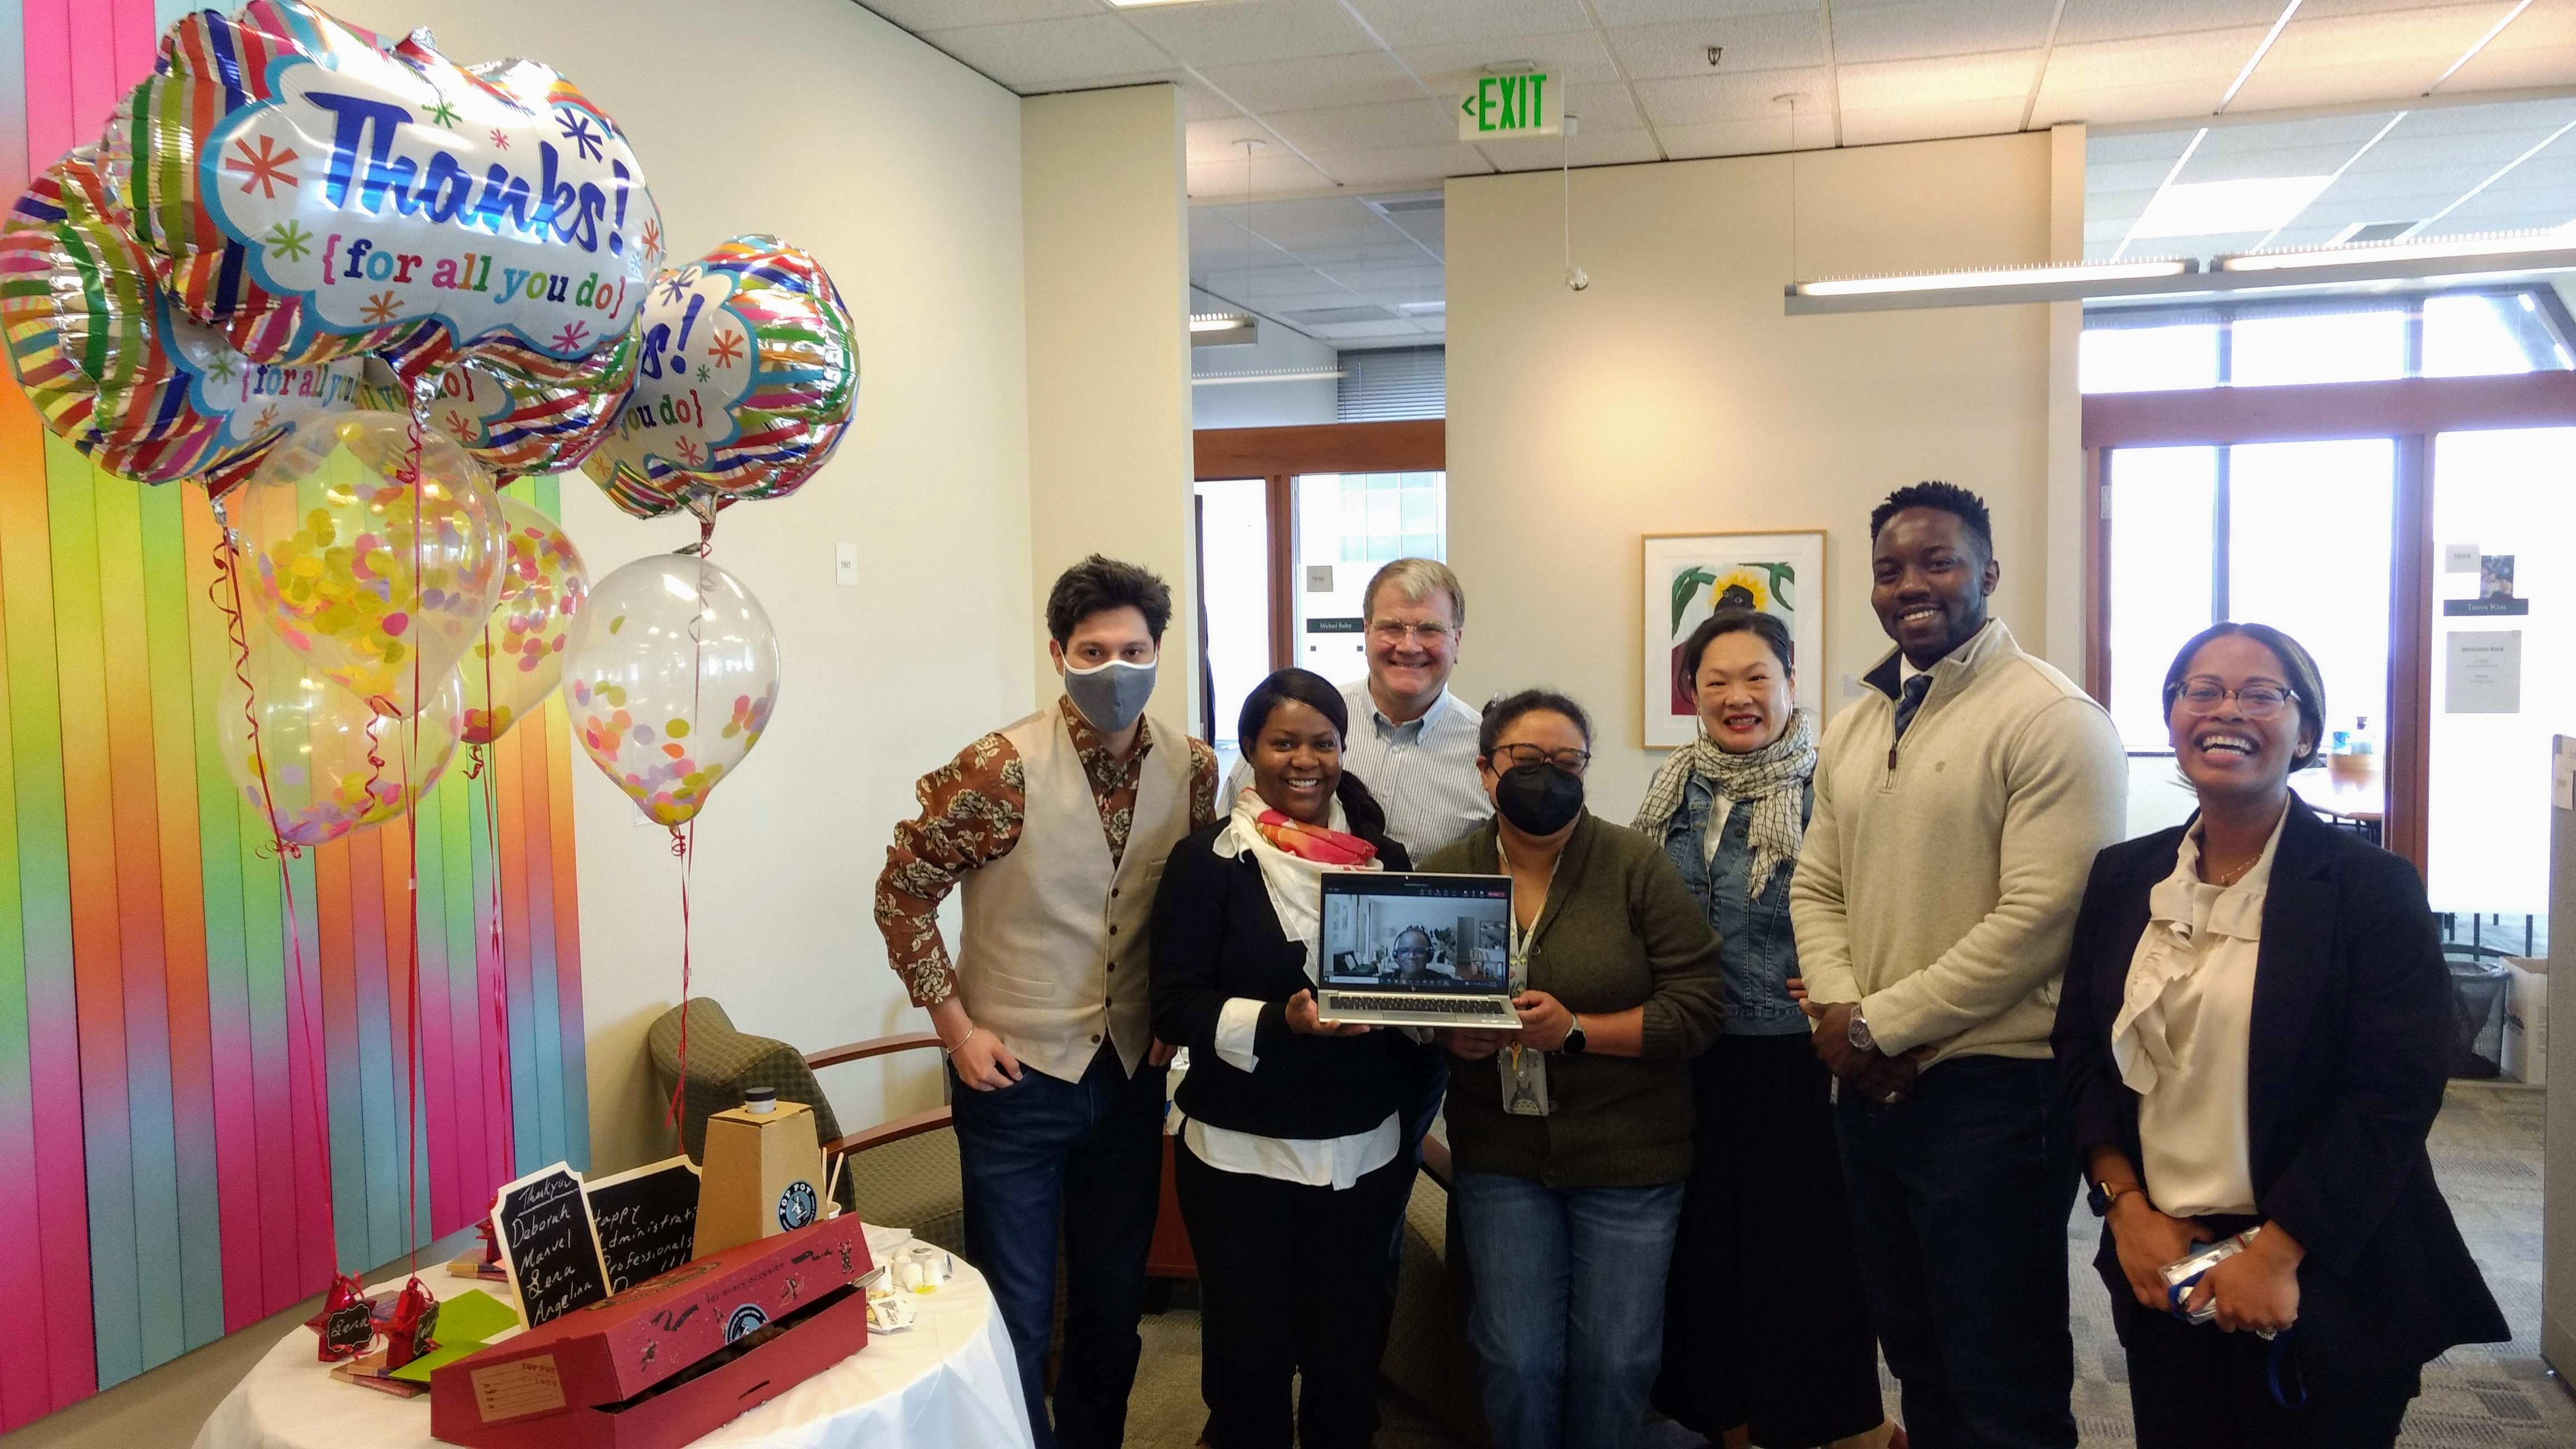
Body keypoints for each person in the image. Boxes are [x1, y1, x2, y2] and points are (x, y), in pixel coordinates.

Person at [2052, 623, 2506, 1448]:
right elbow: (2081, 1054)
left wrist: (2280, 1252)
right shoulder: (2124, 877)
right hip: (2165, 1262)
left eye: (2262, 694)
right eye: (2203, 690)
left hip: (2324, 1273)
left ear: (2305, 734)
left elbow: (2393, 1095)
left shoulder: (2370, 887)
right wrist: (2125, 1210)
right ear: (2173, 718)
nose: (2228, 709)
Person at [1788, 482, 2127, 1449]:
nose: (1910, 585)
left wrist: (1871, 1025)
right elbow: (1816, 888)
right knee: (1918, 1355)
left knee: (2000, 1374)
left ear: (1986, 571)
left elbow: (2040, 920)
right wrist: (1849, 1023)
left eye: (1935, 562)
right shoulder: (1859, 720)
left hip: (1996, 1095)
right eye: (1889, 569)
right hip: (1870, 1086)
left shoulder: (2051, 717)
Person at [874, 555, 1219, 1449]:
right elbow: (902, 892)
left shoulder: (1194, 769)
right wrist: (954, 1031)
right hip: (1015, 1080)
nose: (1116, 669)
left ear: (1158, 653)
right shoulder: (997, 769)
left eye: (1134, 650)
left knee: (1113, 1309)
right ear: (1060, 653)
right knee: (1019, 1317)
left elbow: (1184, 910)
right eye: (1093, 649)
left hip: (1131, 1081)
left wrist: (1171, 1027)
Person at [1423, 689, 1726, 1449]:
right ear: (1487, 771)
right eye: (1526, 760)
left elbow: (1699, 1005)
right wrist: (1446, 1036)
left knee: (1617, 1363)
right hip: (1503, 1157)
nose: (1546, 775)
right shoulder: (1446, 872)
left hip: (1632, 1157)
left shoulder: (1634, 864)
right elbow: (1410, 1005)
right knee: (1513, 1359)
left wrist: (1579, 1030)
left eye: (1567, 761)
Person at [1150, 667, 1434, 1449]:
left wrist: (1451, 1014)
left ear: (1344, 751)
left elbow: (1413, 994)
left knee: (1348, 1357)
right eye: (1284, 742)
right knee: (1250, 1364)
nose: (1304, 760)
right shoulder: (1206, 862)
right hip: (1241, 1156)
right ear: (1251, 750)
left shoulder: (1385, 858)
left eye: (1323, 742)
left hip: (1361, 1150)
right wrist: (1285, 1021)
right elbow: (1174, 1007)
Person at [1635, 608, 1897, 1449]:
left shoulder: (1833, 785)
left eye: (1757, 678)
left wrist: (1843, 981)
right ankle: (1729, 1413)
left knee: (1809, 1248)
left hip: (1798, 1052)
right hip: (1696, 1051)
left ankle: (1839, 1419)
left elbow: (1880, 905)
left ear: (1791, 683)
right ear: (1693, 695)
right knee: (1708, 1242)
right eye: (1716, 683)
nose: (1738, 697)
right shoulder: (1673, 786)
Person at [1224, 557, 1487, 860]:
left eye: (1430, 629)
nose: (1409, 646)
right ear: (1367, 633)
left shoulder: (1486, 752)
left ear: (1457, 639)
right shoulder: (1303, 722)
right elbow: (1229, 832)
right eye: (1392, 627)